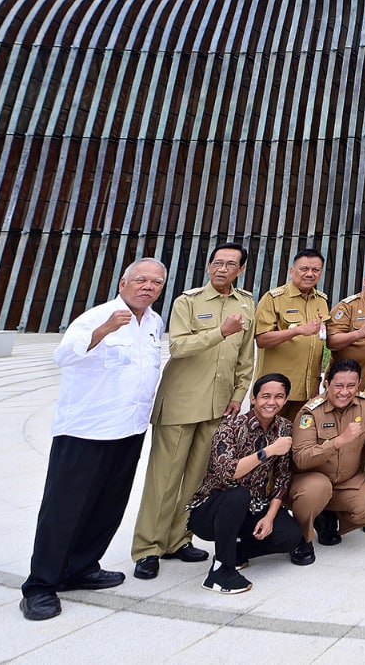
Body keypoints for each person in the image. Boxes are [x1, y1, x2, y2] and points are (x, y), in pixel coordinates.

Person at [20, 258, 167, 622]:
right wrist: (102, 331)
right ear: (123, 283)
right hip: (86, 431)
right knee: (64, 509)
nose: (148, 287)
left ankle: (82, 567)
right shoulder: (96, 316)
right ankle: (40, 585)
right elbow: (62, 356)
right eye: (141, 280)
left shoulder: (153, 322)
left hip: (129, 429)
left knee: (108, 504)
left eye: (156, 283)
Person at [131, 242, 256, 580]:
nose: (222, 268)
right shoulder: (187, 301)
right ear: (208, 265)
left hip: (218, 405)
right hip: (182, 402)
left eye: (230, 264)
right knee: (165, 480)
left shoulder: (246, 304)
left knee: (199, 480)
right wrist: (220, 332)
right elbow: (179, 346)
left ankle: (178, 539)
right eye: (217, 262)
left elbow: (246, 356)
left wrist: (239, 394)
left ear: (241, 270)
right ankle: (148, 548)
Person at [184, 373, 303, 592]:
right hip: (212, 511)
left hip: (252, 508)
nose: (272, 402)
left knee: (291, 536)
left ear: (285, 400)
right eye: (265, 396)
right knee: (239, 494)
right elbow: (228, 473)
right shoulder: (230, 428)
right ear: (254, 399)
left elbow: (283, 478)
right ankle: (220, 571)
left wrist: (269, 517)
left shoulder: (285, 428)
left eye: (279, 396)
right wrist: (268, 451)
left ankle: (236, 551)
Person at [287, 359, 365, 555]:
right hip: (313, 480)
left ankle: (329, 516)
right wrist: (337, 442)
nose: (345, 392)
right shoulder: (310, 412)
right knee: (317, 489)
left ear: (358, 384)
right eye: (339, 386)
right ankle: (303, 538)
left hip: (347, 479)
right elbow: (301, 458)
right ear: (327, 385)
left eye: (351, 386)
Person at [253, 248, 331, 423]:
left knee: (297, 441)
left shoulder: (321, 301)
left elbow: (319, 343)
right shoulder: (273, 298)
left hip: (306, 390)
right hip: (274, 392)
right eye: (304, 269)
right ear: (292, 271)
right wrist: (297, 331)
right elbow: (262, 339)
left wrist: (316, 382)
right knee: (266, 441)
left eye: (316, 270)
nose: (310, 274)